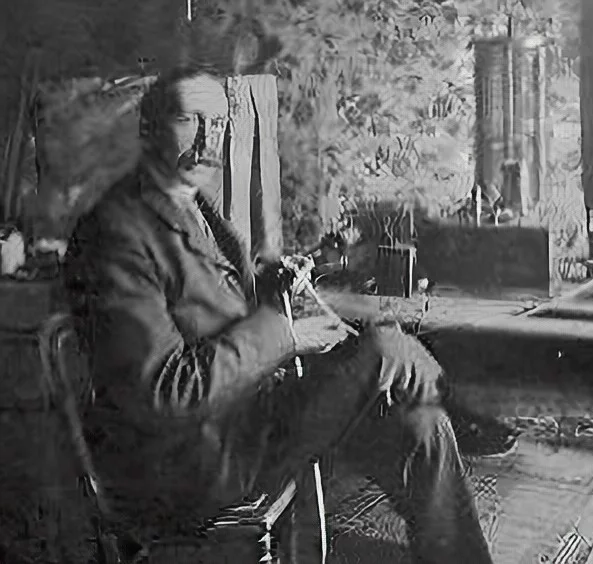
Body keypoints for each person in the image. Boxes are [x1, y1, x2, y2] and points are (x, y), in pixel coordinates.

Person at [63, 66, 493, 564]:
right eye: (189, 120)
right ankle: (452, 398)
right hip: (194, 461)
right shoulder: (115, 231)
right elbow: (165, 393)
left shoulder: (198, 208)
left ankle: (447, 418)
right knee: (382, 346)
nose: (206, 139)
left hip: (250, 420)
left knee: (423, 428)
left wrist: (271, 285)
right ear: (147, 128)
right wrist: (287, 334)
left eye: (218, 124)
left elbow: (216, 301)